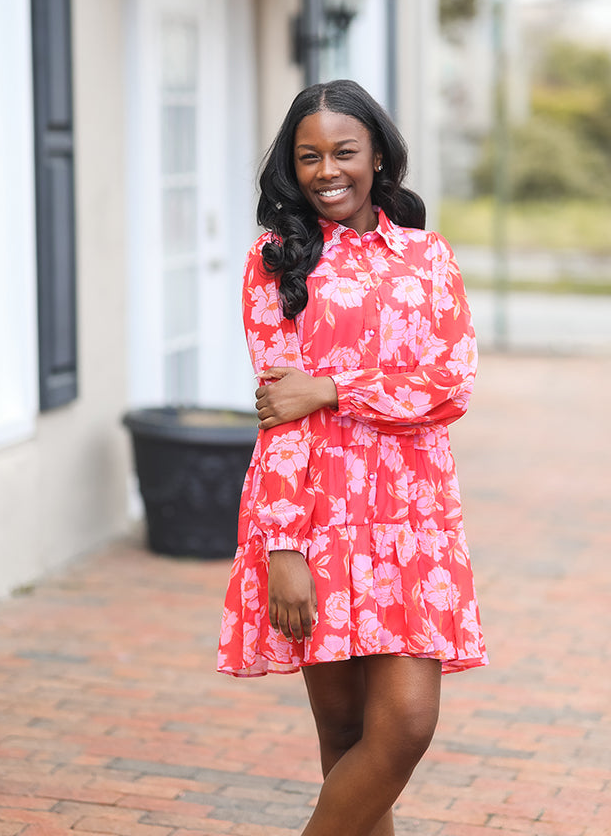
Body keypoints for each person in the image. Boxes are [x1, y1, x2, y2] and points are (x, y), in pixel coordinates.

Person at [218, 79, 488, 836]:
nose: (326, 170)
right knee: (341, 740)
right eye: (308, 157)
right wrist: (282, 547)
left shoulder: (425, 256)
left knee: (403, 727)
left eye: (343, 152)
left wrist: (330, 388)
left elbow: (450, 383)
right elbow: (280, 413)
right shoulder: (275, 260)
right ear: (290, 166)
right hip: (316, 516)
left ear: (377, 157)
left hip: (413, 520)